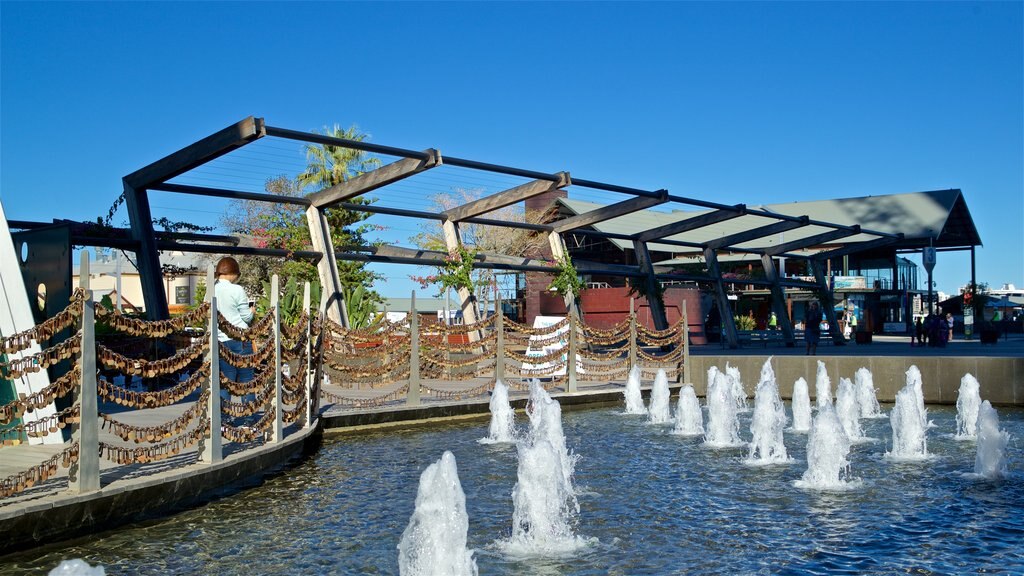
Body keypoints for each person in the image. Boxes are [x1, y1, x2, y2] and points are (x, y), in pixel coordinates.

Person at [214, 257, 254, 400]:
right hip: (240, 338)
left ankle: (224, 418)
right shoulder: (237, 289)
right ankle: (249, 418)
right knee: (246, 378)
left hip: (221, 340)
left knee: (225, 380)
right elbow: (247, 318)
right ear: (233, 273)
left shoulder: (211, 290)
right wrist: (252, 312)